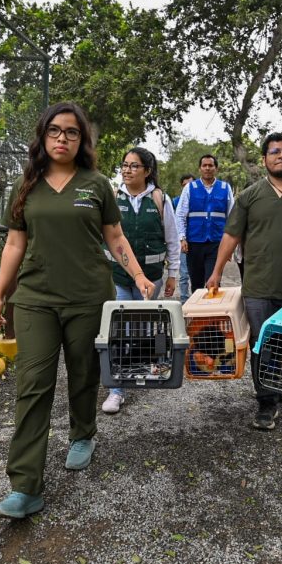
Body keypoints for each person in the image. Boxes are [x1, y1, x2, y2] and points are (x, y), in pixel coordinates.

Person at [0, 102, 155, 519]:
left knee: (84, 373)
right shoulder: (26, 185)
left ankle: (83, 433)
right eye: (55, 131)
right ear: (43, 136)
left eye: (72, 133)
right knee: (33, 384)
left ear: (82, 141)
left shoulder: (96, 184)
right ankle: (25, 486)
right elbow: (14, 244)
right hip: (36, 298)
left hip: (87, 297)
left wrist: (137, 276)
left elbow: (114, 236)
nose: (63, 138)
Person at [206, 132, 282, 430]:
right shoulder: (250, 196)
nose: (281, 155)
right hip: (258, 286)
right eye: (274, 151)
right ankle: (266, 402)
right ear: (264, 159)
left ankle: (279, 383)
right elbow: (231, 235)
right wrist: (217, 271)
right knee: (261, 343)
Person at [101, 147, 181, 414]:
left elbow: (172, 240)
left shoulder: (159, 199)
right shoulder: (112, 197)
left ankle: (147, 367)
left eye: (134, 166)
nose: (127, 170)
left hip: (151, 279)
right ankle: (117, 390)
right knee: (120, 330)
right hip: (120, 277)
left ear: (147, 171)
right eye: (124, 165)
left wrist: (173, 275)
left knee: (145, 327)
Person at [175, 154, 234, 289]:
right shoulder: (190, 188)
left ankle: (212, 309)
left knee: (213, 283)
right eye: (204, 165)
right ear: (200, 168)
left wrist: (230, 247)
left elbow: (232, 218)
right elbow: (180, 215)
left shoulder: (225, 188)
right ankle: (197, 309)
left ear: (216, 168)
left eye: (210, 165)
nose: (207, 168)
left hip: (217, 244)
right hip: (194, 244)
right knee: (196, 285)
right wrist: (182, 238)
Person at [172, 174, 194, 303]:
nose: (187, 187)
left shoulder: (199, 200)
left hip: (197, 241)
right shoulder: (175, 201)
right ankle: (184, 300)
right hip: (182, 241)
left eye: (190, 184)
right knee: (184, 274)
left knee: (197, 274)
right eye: (185, 185)